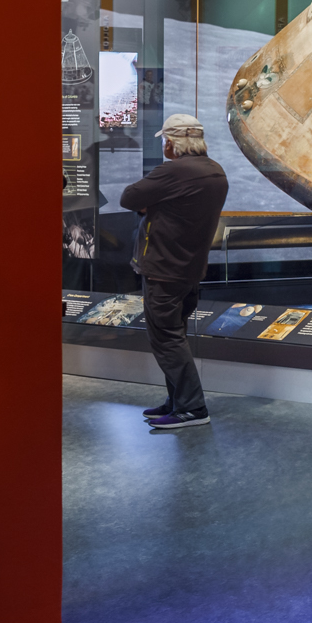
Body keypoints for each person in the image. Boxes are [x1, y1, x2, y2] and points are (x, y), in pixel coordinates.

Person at [120, 114, 230, 430]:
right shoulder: (214, 171)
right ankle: (178, 401)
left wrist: (152, 205)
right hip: (190, 268)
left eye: (165, 142)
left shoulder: (173, 171)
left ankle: (192, 407)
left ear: (171, 143)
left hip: (163, 269)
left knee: (166, 339)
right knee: (175, 335)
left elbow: (129, 197)